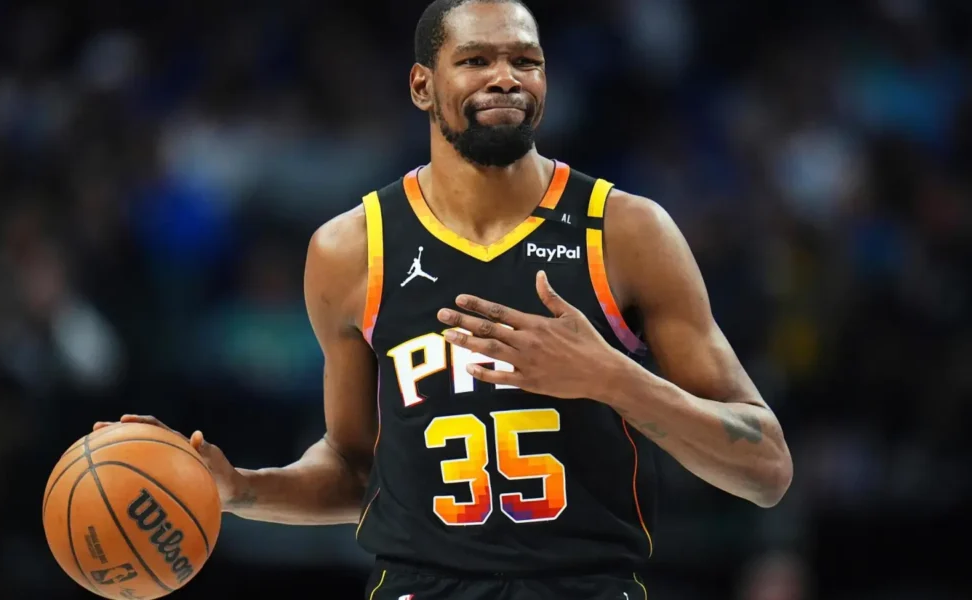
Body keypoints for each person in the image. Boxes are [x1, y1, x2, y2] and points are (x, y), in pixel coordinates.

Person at [95, 0, 794, 598]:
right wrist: (241, 489)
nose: (506, 78)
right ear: (422, 86)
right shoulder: (349, 252)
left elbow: (766, 469)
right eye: (477, 60)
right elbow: (355, 469)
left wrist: (613, 379)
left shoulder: (625, 232)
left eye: (526, 60)